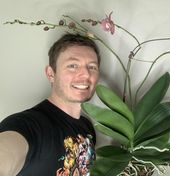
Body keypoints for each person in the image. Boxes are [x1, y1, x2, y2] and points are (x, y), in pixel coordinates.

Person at [0, 33, 100, 176]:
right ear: (51, 73)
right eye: (72, 65)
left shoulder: (87, 127)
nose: (85, 74)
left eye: (92, 67)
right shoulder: (28, 125)